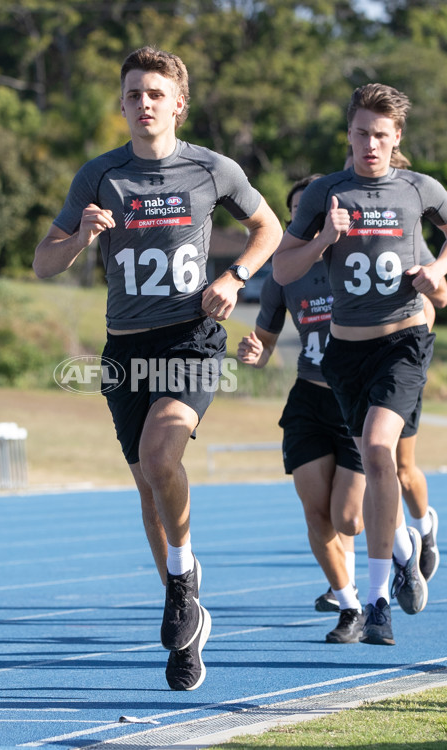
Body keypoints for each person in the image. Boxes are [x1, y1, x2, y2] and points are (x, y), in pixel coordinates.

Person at [33, 46, 283, 689]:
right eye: (132, 94)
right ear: (121, 105)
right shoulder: (99, 175)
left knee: (162, 456)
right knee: (149, 483)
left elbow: (269, 228)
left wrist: (235, 276)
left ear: (178, 103)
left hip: (193, 340)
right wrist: (80, 238)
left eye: (154, 93)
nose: (143, 104)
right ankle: (184, 605)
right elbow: (43, 263)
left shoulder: (212, 168)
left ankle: (183, 580)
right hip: (125, 350)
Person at [273, 83, 447, 646]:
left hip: (403, 342)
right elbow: (280, 270)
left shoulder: (420, 189)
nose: (370, 143)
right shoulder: (326, 191)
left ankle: (375, 603)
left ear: (397, 138)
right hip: (342, 353)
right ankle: (401, 559)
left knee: (378, 449)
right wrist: (323, 237)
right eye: (360, 133)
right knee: (370, 468)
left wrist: (439, 272)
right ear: (347, 135)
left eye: (380, 134)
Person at [238, 175, 367, 644]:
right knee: (318, 516)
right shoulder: (282, 277)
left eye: (313, 214)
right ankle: (350, 605)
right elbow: (266, 343)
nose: (305, 222)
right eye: (297, 215)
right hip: (308, 399)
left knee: (349, 519)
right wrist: (254, 352)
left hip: (357, 399)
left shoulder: (358, 256)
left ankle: (401, 542)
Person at [343, 146, 441, 584]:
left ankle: (424, 528)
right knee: (375, 460)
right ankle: (399, 551)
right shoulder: (336, 221)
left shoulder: (407, 226)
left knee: (400, 465)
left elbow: (438, 298)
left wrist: (431, 284)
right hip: (352, 359)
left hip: (403, 357)